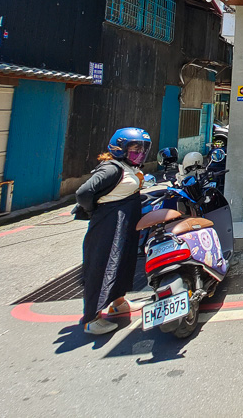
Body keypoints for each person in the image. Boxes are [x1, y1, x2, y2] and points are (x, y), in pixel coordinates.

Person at [74, 127, 151, 334]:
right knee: (102, 265)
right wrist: (94, 210)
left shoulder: (128, 167)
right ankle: (92, 318)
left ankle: (119, 302)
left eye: (142, 149)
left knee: (122, 262)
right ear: (120, 148)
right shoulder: (111, 169)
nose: (139, 153)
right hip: (109, 224)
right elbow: (83, 193)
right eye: (134, 149)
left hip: (124, 223)